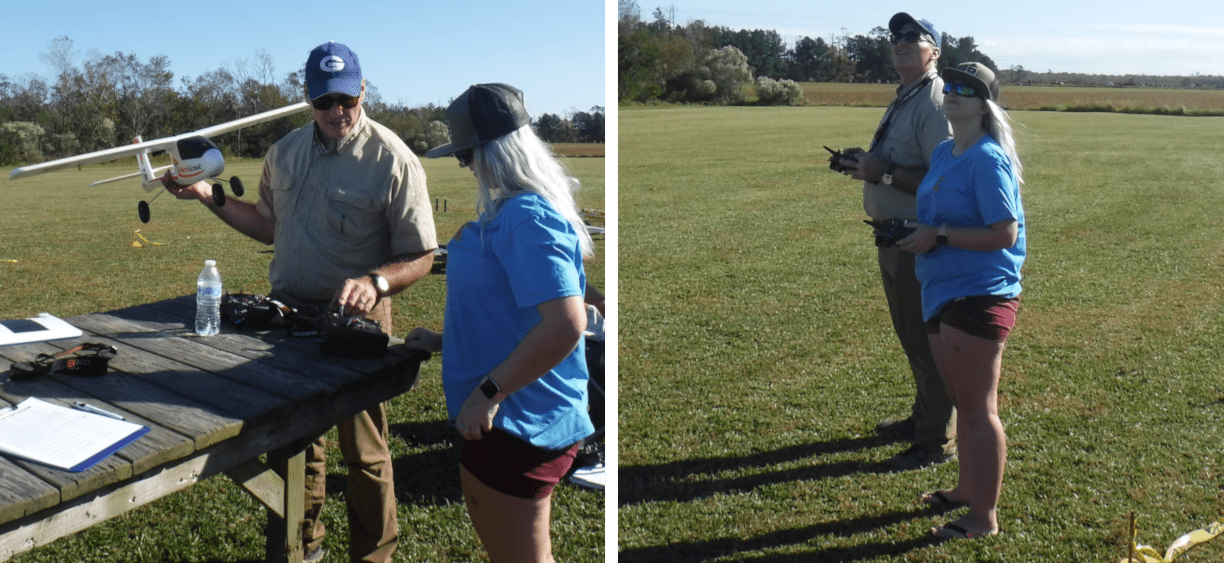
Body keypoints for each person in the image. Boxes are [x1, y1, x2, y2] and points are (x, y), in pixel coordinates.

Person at [167, 41, 437, 562]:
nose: (336, 111)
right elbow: (269, 226)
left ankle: (373, 555)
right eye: (324, 101)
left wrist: (376, 283)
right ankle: (301, 548)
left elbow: (422, 255)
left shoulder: (393, 159)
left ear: (363, 90)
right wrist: (206, 195)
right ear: (307, 98)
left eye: (346, 99)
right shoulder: (284, 153)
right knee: (294, 446)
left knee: (366, 456)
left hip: (356, 326)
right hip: (287, 320)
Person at [403, 83, 595, 562]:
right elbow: (515, 312)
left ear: (491, 152)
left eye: (465, 155)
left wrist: (488, 394)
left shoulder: (527, 216)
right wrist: (444, 341)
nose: (465, 166)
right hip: (516, 419)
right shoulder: (516, 212)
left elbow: (564, 324)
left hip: (518, 424)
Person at [896, 62, 1026, 540]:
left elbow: (1003, 233)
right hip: (942, 288)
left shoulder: (988, 159)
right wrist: (915, 233)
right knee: (964, 403)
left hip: (979, 292)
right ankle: (967, 489)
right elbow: (939, 217)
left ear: (984, 105)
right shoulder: (945, 151)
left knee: (978, 409)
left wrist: (941, 235)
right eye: (949, 86)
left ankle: (983, 517)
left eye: (965, 90)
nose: (951, 93)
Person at [831, 12, 956, 470]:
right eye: (895, 37)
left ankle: (935, 441)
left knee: (927, 342)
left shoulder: (934, 101)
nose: (900, 42)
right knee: (913, 337)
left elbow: (943, 179)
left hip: (916, 240)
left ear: (934, 51)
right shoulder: (908, 96)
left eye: (912, 36)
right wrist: (866, 164)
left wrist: (881, 172)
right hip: (894, 238)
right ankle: (924, 419)